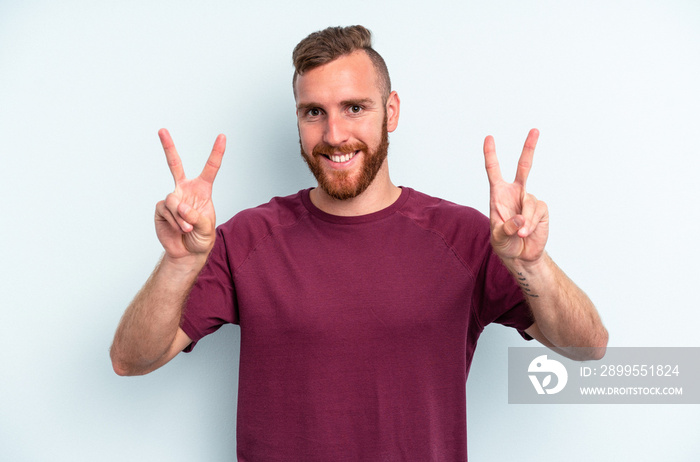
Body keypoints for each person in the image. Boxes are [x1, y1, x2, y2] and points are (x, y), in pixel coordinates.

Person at [111, 25, 607, 460]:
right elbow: (130, 360)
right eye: (313, 113)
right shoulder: (247, 238)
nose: (335, 133)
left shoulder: (467, 237)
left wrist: (534, 263)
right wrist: (178, 263)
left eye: (354, 108)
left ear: (390, 111)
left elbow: (588, 349)